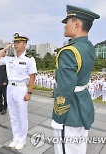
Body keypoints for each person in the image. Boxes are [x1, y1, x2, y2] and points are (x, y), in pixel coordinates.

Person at [51, 5, 100, 154]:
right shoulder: (89, 47)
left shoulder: (69, 52)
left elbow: (65, 89)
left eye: (67, 22)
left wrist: (58, 118)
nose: (65, 26)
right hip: (83, 107)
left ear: (77, 24)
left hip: (70, 113)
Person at [0, 32, 37, 150]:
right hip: (10, 88)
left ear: (25, 44)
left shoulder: (29, 60)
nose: (16, 44)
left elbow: (33, 76)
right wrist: (5, 48)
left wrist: (29, 92)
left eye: (19, 42)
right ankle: (16, 138)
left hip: (21, 88)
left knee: (22, 115)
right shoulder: (9, 59)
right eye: (15, 42)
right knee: (13, 115)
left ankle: (22, 140)